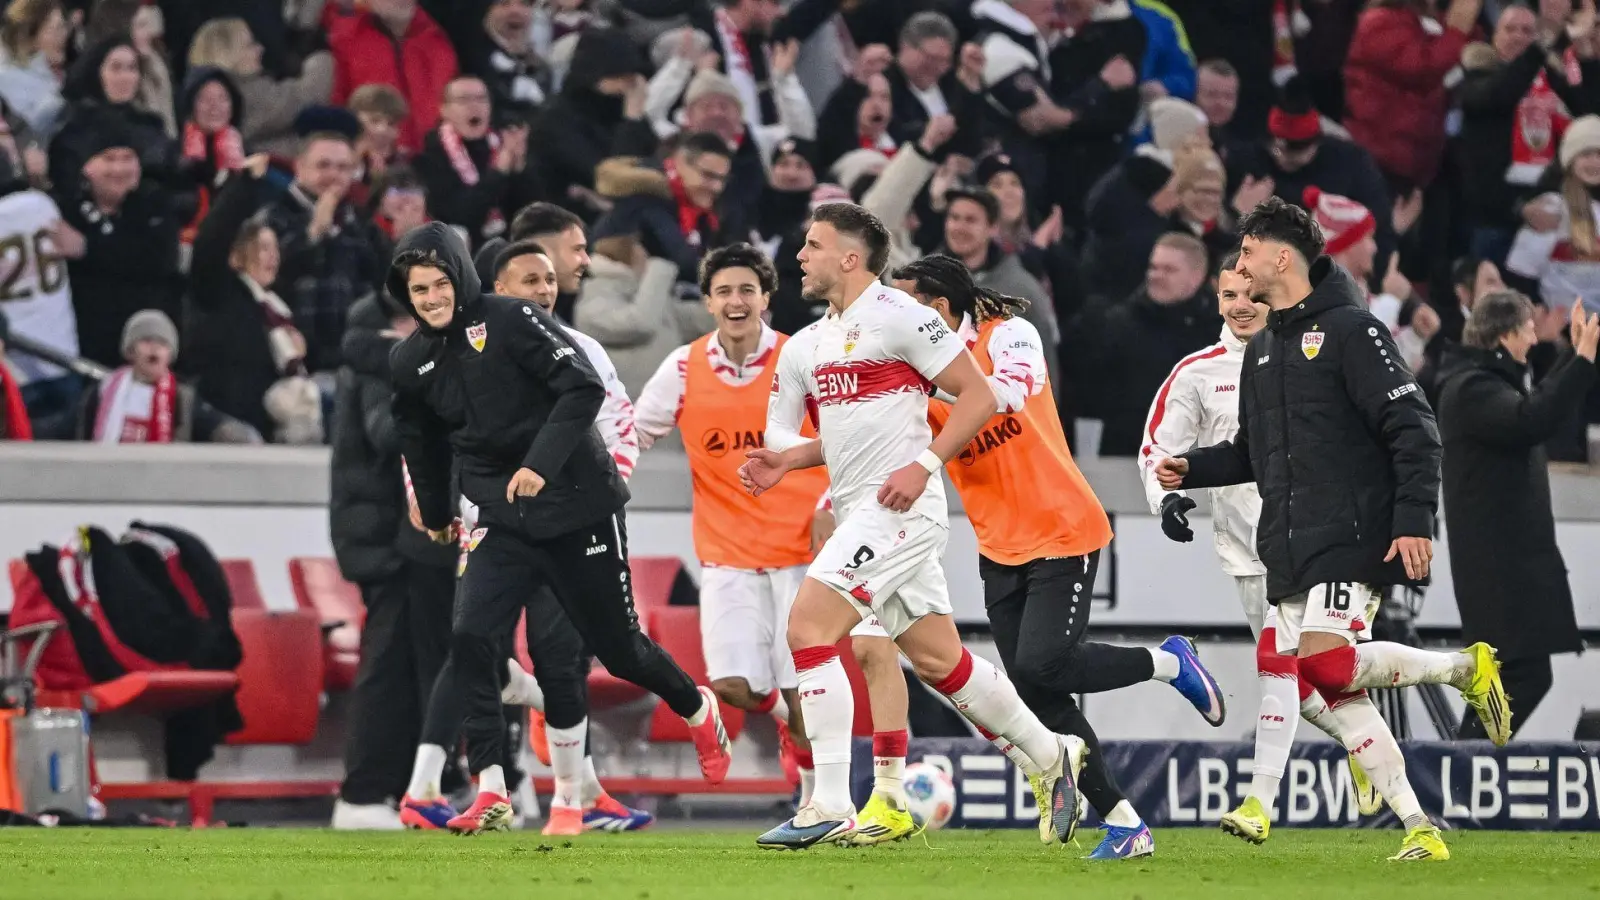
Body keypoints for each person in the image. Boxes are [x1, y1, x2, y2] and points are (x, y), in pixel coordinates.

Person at [1154, 197, 1510, 861]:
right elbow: (1253, 452)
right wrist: (1192, 468)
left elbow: (1416, 431)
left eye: (1249, 253)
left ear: (1281, 258)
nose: (1241, 267)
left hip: (1351, 529)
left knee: (1319, 661)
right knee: (1333, 686)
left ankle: (1462, 668)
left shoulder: (1353, 331)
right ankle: (1420, 829)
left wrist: (1413, 520)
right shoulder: (1263, 352)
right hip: (1289, 538)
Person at [738, 203, 1086, 850]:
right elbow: (800, 432)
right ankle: (1051, 754)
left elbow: (978, 396)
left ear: (850, 256)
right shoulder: (809, 344)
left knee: (808, 627)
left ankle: (829, 802)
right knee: (939, 661)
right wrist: (786, 457)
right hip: (861, 511)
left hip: (902, 512)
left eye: (813, 246)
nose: (800, 257)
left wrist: (925, 466)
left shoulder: (907, 319)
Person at [857, 253, 1226, 861]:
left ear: (940, 309)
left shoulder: (1009, 336)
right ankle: (1126, 823)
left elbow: (1011, 392)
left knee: (1043, 664)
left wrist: (934, 397)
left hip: (1063, 528)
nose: (895, 320)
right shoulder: (913, 375)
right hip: (998, 544)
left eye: (906, 306)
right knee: (1034, 688)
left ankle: (1168, 663)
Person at [388, 222, 731, 835]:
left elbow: (584, 387)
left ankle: (694, 704)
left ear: (462, 279)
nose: (433, 298)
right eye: (419, 290)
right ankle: (492, 788)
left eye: (441, 284)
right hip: (502, 518)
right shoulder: (410, 359)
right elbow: (420, 443)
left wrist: (537, 467)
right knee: (469, 635)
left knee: (618, 649)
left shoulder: (512, 320)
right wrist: (439, 516)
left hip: (578, 506)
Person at [1139, 253, 1384, 839]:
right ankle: (1369, 744)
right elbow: (1158, 449)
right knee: (1305, 685)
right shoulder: (1198, 371)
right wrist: (1166, 499)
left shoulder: (1313, 352)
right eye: (1227, 297)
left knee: (1297, 670)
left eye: (1248, 293)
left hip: (1325, 544)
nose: (1240, 306)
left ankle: (1260, 803)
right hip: (1249, 554)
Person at [630, 243, 832, 802]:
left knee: (805, 693)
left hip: (800, 552)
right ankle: (785, 728)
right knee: (733, 688)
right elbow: (635, 432)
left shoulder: (800, 357)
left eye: (747, 289)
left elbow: (847, 437)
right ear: (709, 302)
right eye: (724, 291)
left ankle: (817, 803)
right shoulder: (683, 366)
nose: (736, 300)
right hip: (726, 553)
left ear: (766, 297)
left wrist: (828, 508)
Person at [472, 238, 654, 834]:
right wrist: (450, 513)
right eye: (531, 280)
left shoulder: (585, 351)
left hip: (567, 529)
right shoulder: (465, 356)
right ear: (498, 289)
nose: (546, 291)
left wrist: (591, 507)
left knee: (558, 653)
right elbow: (436, 438)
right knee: (472, 651)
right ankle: (496, 785)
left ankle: (569, 799)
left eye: (550, 280)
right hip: (494, 530)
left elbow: (620, 427)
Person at [1437, 294, 1598, 740]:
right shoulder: (1471, 388)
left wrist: (1575, 357)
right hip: (1497, 568)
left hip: (1509, 563)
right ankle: (1457, 770)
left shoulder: (1487, 384)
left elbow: (1535, 409)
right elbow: (1533, 419)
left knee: (1522, 677)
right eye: (1527, 328)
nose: (1533, 335)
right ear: (1505, 335)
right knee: (1522, 677)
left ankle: (1458, 772)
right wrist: (1580, 361)